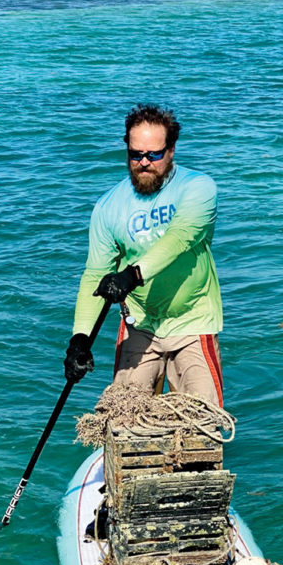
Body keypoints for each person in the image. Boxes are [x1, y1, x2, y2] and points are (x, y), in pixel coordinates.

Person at [64, 104, 224, 406]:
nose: (144, 162)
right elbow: (94, 275)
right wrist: (80, 339)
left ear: (172, 150)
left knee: (203, 425)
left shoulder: (199, 188)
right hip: (140, 324)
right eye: (136, 154)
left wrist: (132, 274)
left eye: (154, 154)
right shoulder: (108, 207)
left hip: (193, 321)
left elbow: (180, 238)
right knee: (122, 416)